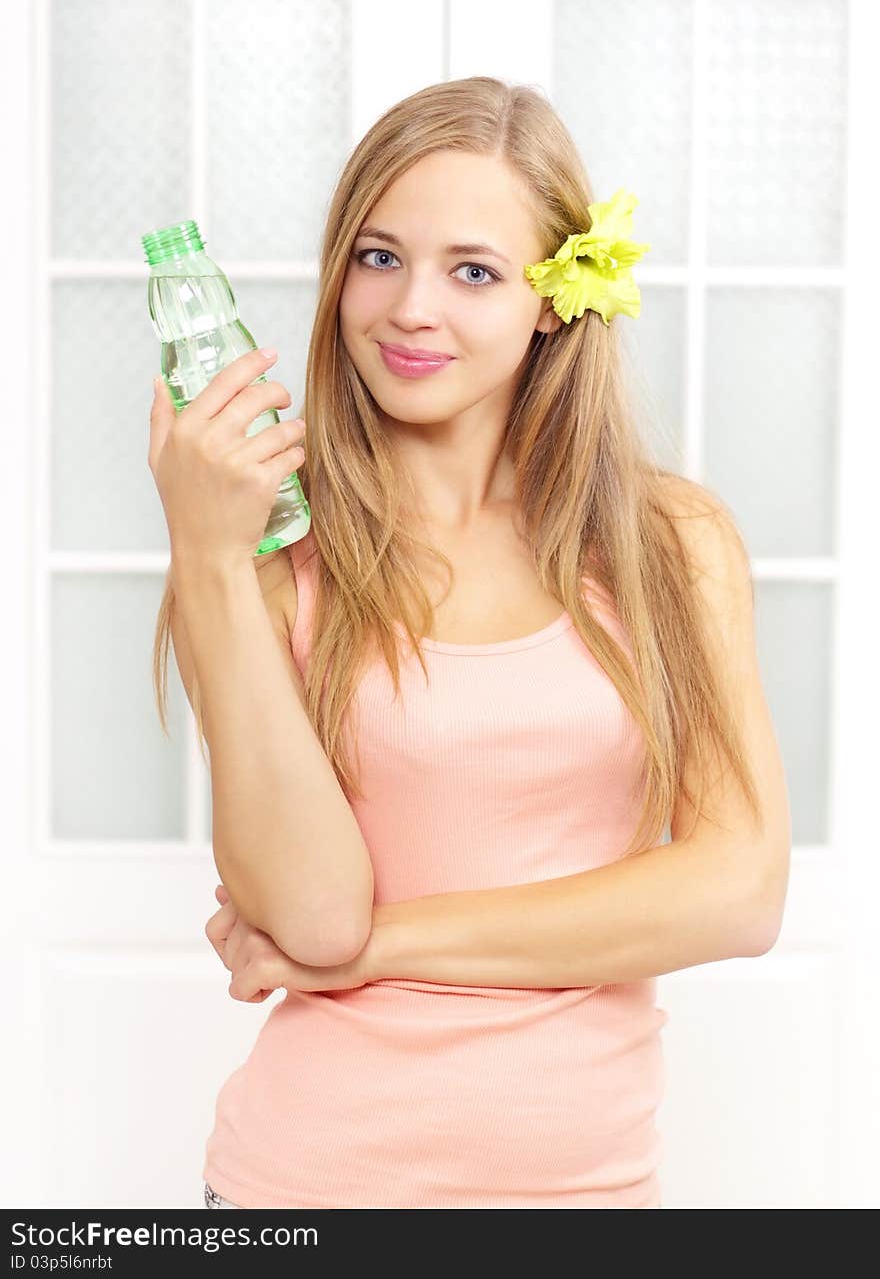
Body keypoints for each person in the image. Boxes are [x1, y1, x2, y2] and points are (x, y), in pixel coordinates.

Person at [149, 76, 791, 1210]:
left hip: (586, 1194)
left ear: (553, 299)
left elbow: (736, 892)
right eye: (379, 256)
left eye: (473, 271)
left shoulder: (667, 545)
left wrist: (379, 949)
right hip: (305, 1190)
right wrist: (205, 555)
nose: (410, 310)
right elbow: (307, 911)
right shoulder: (264, 560)